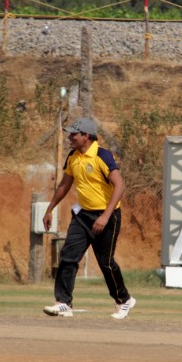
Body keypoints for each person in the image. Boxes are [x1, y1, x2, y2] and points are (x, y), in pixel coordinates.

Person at [41, 116, 135, 319]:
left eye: (73, 134)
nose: (70, 138)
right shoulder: (72, 157)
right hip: (82, 216)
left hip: (107, 216)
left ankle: (123, 300)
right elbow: (64, 185)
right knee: (68, 256)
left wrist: (105, 216)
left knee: (105, 262)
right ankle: (64, 303)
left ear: (86, 136)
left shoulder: (102, 155)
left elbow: (120, 186)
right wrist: (50, 209)